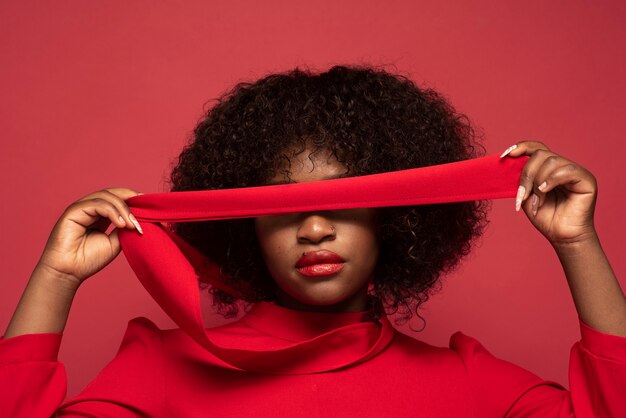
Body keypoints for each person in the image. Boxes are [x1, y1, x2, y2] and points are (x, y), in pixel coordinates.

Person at [1, 65, 624, 417]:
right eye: (282, 208)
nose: (316, 227)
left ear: (393, 220)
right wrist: (55, 279)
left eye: (347, 202)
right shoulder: (161, 368)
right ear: (245, 228)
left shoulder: (466, 380)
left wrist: (577, 244)